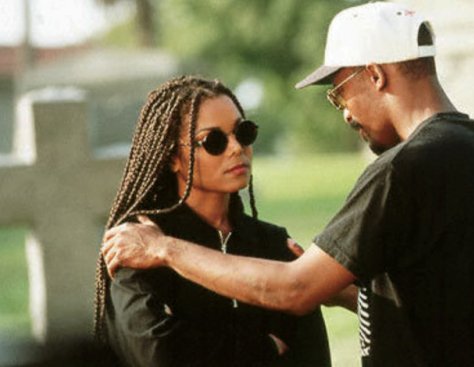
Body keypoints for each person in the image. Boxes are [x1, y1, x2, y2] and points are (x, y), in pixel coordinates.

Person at [102, 3, 474, 367]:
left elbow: (295, 290)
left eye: (339, 93)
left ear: (376, 75)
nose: (344, 113)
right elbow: (449, 298)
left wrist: (163, 248)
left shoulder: (403, 169)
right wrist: (340, 291)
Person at [93, 76, 331, 367]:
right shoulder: (138, 245)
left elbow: (311, 355)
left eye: (243, 132)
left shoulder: (272, 244)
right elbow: (158, 354)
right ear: (172, 158)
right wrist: (264, 349)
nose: (235, 148)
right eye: (213, 141)